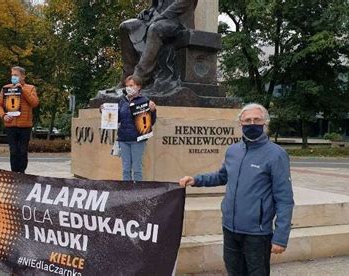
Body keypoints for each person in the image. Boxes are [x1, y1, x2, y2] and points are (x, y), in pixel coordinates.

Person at [179, 103, 294, 276]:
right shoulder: (233, 151)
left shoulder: (276, 155)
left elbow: (285, 199)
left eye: (257, 119)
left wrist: (280, 237)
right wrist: (195, 180)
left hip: (257, 233)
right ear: (240, 123)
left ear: (265, 123)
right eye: (247, 120)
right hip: (230, 228)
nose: (252, 123)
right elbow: (222, 176)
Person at [119, 0, 197, 85]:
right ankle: (128, 75)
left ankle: (139, 77)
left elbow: (184, 2)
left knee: (155, 29)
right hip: (156, 19)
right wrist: (149, 11)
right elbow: (157, 5)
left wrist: (162, 16)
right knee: (125, 26)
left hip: (177, 21)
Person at [0, 66, 39, 173]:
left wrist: (22, 89)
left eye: (16, 75)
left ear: (23, 76)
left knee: (23, 151)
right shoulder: (6, 88)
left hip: (25, 126)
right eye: (12, 75)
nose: (13, 77)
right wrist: (3, 115)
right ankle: (14, 173)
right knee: (13, 151)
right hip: (10, 125)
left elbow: (34, 103)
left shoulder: (30, 88)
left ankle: (22, 172)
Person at [117, 75, 157, 181]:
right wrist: (105, 111)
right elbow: (116, 118)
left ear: (138, 87)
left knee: (137, 168)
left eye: (131, 85)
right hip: (123, 139)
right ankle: (126, 192)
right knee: (126, 169)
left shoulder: (144, 101)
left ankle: (138, 192)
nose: (128, 88)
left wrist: (152, 111)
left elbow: (151, 122)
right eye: (127, 86)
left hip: (137, 139)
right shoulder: (122, 101)